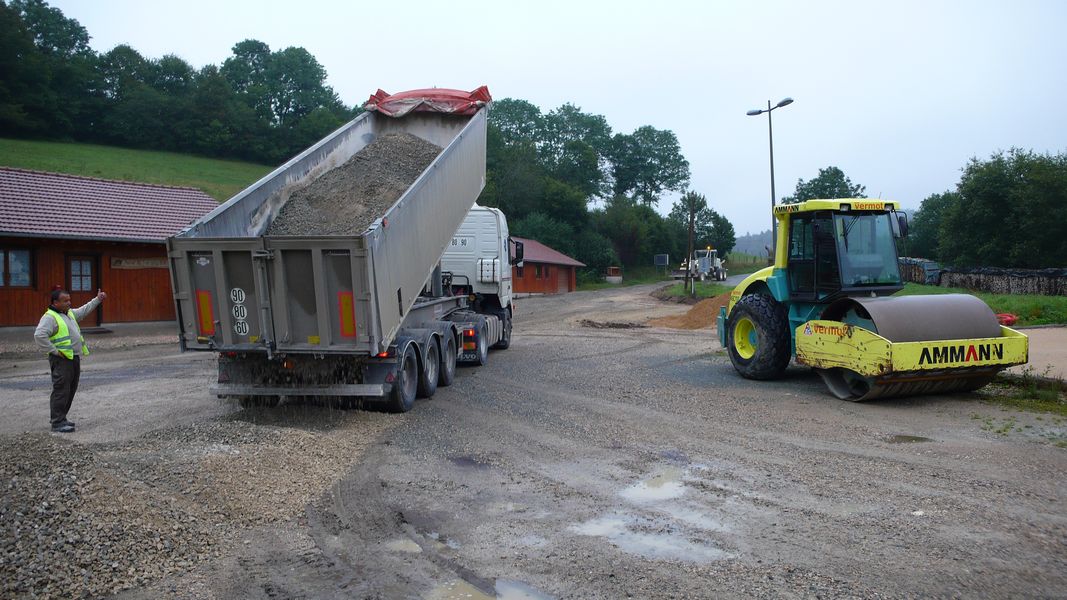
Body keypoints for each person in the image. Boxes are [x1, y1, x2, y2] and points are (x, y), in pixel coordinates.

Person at [34, 288, 107, 433]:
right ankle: (57, 422)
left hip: (73, 357)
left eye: (69, 300)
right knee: (61, 390)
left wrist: (97, 299)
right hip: (61, 360)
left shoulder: (69, 314)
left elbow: (84, 310)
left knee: (70, 389)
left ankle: (62, 418)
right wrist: (54, 351)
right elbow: (39, 335)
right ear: (55, 302)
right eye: (65, 301)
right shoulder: (50, 317)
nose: (69, 302)